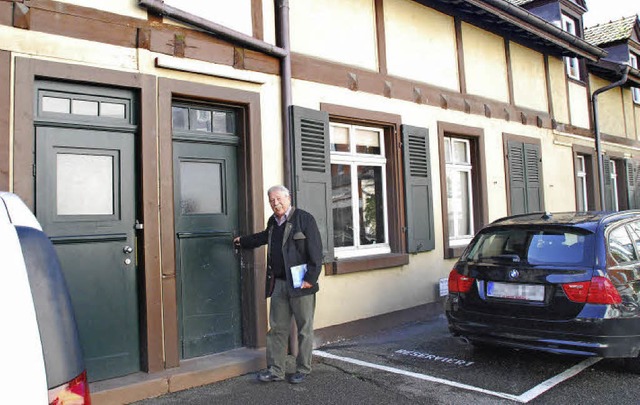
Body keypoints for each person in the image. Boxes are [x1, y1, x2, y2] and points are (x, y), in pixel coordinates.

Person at [233, 185, 323, 384]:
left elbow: (316, 251)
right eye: (272, 201)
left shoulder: (304, 219)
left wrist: (311, 278)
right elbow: (263, 237)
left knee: (304, 329)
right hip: (279, 284)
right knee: (277, 329)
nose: (276, 203)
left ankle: (303, 369)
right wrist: (243, 241)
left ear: (288, 198)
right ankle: (276, 370)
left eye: (279, 199)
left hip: (301, 284)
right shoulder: (273, 222)